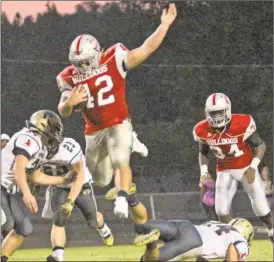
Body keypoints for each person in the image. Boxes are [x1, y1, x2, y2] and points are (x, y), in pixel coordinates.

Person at [56, 3, 177, 218]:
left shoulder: (114, 57)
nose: (83, 67)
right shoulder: (68, 76)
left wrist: (164, 25)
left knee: (120, 159)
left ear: (97, 53)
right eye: (78, 63)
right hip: (93, 130)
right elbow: (63, 111)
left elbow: (146, 48)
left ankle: (122, 196)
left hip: (119, 121)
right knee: (99, 178)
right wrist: (69, 103)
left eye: (86, 61)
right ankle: (129, 146)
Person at [193, 93, 273, 241]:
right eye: (213, 113)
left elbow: (260, 145)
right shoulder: (202, 129)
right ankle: (235, 239)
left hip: (246, 168)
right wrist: (203, 171)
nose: (216, 116)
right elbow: (203, 152)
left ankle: (271, 232)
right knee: (220, 209)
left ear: (228, 110)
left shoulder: (242, 123)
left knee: (261, 208)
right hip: (224, 170)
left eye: (219, 112)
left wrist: (253, 166)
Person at [1, 110, 79, 262]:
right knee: (6, 223)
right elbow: (18, 169)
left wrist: (63, 180)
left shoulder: (41, 148)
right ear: (44, 126)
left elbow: (35, 176)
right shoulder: (28, 138)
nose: (56, 134)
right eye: (54, 129)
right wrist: (27, 194)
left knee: (24, 228)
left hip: (6, 190)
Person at [40, 137, 113, 262]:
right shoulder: (35, 149)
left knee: (93, 221)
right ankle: (58, 256)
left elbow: (78, 176)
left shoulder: (68, 147)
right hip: (59, 186)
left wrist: (70, 201)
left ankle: (103, 228)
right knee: (58, 219)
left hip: (81, 183)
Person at [128, 193, 253, 261]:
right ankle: (152, 243)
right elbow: (233, 249)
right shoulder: (240, 240)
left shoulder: (218, 225)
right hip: (194, 242)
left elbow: (201, 258)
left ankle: (130, 197)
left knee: (142, 225)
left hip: (186, 226)